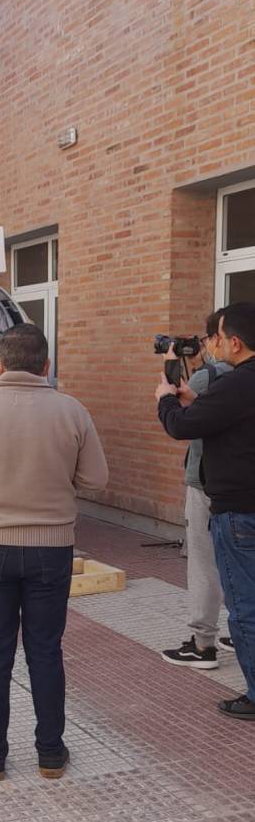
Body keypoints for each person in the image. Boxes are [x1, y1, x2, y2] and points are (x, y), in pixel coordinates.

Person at [0, 323, 109, 780]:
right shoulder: (71, 410)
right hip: (52, 549)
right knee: (45, 651)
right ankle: (50, 753)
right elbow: (96, 480)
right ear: (46, 366)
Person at [156, 302, 255, 720]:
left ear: (235, 342)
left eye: (215, 337)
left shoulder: (237, 384)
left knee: (245, 605)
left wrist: (166, 399)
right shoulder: (238, 387)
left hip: (239, 513)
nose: (210, 344)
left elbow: (181, 426)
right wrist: (195, 398)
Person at [161, 309, 233, 670]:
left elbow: (177, 417)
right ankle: (239, 633)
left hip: (206, 483)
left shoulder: (215, 377)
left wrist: (169, 370)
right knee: (240, 562)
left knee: (205, 563)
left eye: (205, 340)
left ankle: (203, 643)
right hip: (240, 485)